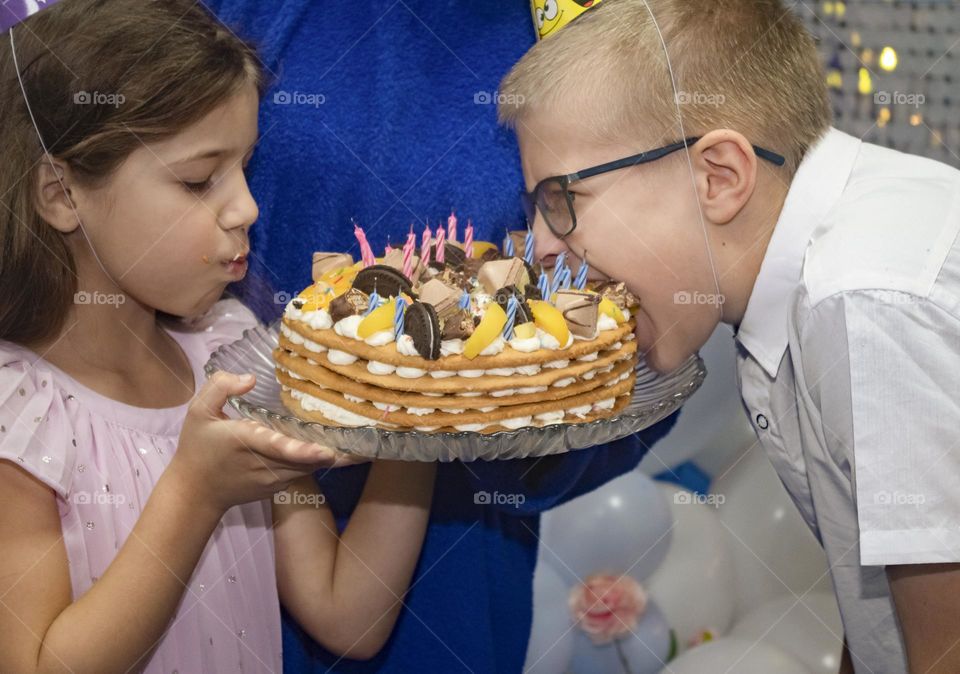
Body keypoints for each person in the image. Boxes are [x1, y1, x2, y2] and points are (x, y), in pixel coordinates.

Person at [205, 0, 681, 671]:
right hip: (214, 534)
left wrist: (484, 409)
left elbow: (644, 314)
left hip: (452, 579)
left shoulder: (593, 19)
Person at [500, 0, 960, 671]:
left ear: (718, 176)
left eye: (561, 200)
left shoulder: (862, 303)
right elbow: (882, 618)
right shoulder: (789, 285)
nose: (540, 247)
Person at [0, 2, 436, 672]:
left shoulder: (228, 354)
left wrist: (426, 413)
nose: (247, 208)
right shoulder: (19, 417)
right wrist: (195, 493)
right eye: (200, 180)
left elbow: (348, 614)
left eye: (245, 168)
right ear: (61, 194)